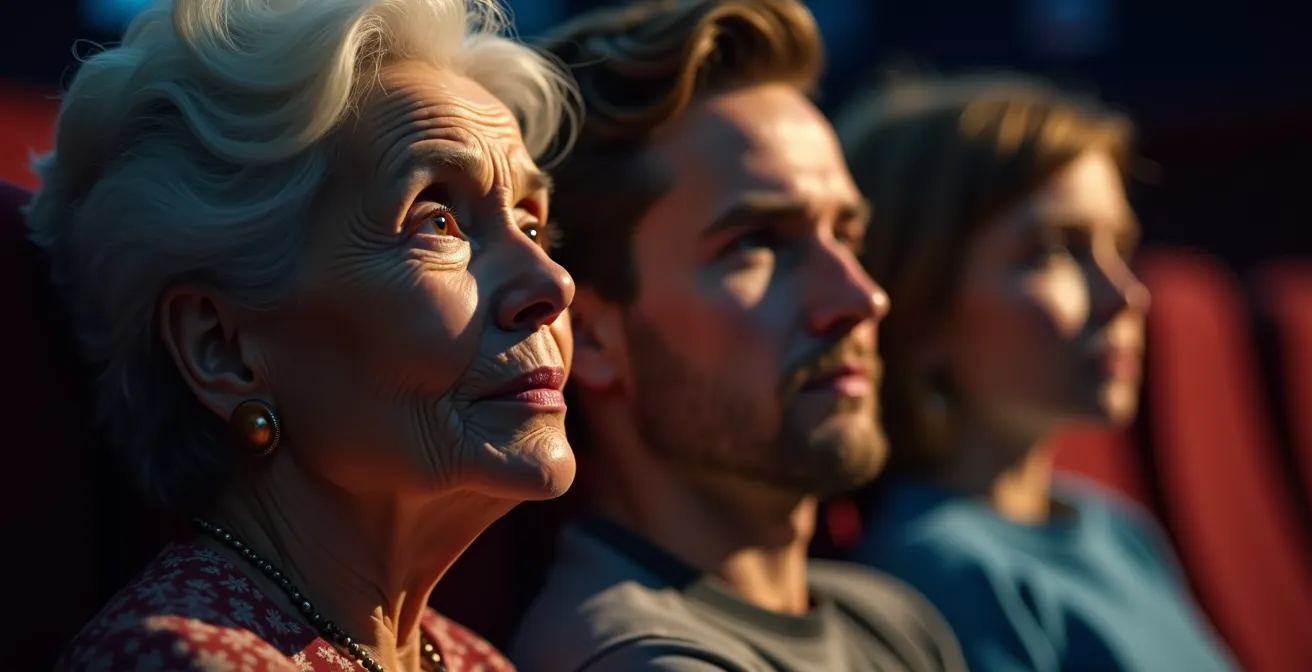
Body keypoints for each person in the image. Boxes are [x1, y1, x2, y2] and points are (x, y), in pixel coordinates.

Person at [29, 0, 580, 669]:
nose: (553, 284)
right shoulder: (182, 660)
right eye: (437, 221)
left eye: (530, 222)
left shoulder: (472, 661)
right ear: (221, 348)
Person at [509, 2, 965, 670]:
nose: (862, 297)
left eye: (847, 234)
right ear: (591, 337)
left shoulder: (894, 620)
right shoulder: (638, 657)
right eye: (758, 243)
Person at [834, 72, 1239, 672]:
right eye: (1053, 250)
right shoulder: (944, 574)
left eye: (1120, 247)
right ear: (917, 307)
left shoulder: (1114, 528)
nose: (1125, 295)